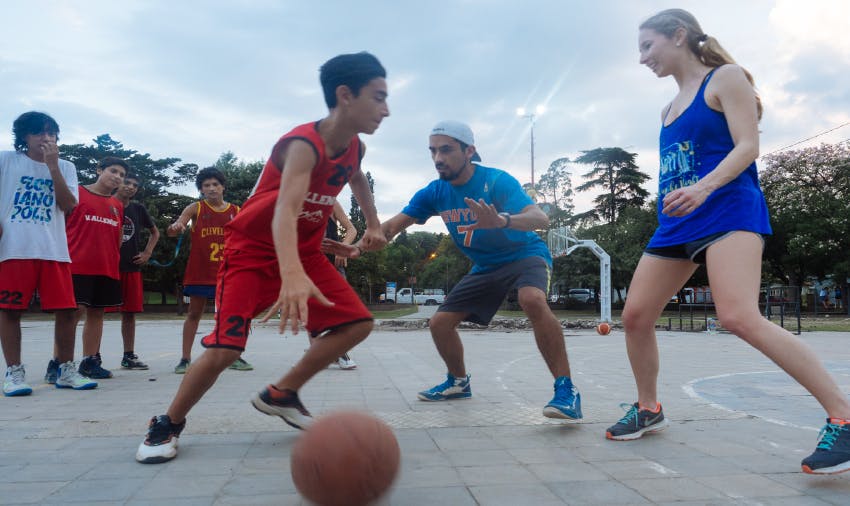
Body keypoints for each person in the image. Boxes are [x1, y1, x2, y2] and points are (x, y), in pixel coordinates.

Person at [610, 8, 850, 475]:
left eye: (647, 46)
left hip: (727, 210)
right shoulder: (667, 109)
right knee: (635, 316)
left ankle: (844, 416)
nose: (642, 58)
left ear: (679, 35)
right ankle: (649, 408)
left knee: (738, 317)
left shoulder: (725, 78)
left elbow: (748, 146)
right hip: (677, 224)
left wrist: (703, 188)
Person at [135, 51, 389, 463]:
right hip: (252, 252)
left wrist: (372, 224)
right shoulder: (303, 145)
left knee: (358, 323)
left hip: (305, 253)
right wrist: (291, 273)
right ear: (345, 95)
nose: (386, 109)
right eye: (378, 97)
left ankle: (282, 393)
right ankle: (167, 422)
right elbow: (286, 210)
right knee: (227, 350)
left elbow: (357, 178)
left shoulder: (354, 147)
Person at [379, 120, 582, 420]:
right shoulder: (435, 192)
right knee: (439, 324)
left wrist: (502, 220)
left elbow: (540, 219)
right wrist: (359, 244)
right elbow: (392, 226)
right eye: (433, 151)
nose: (438, 158)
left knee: (531, 299)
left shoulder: (496, 181)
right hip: (487, 265)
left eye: (446, 150)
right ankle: (458, 382)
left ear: (469, 151)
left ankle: (567, 391)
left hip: (525, 254)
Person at [1, 111, 97, 395]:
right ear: (24, 136)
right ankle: (14, 373)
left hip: (53, 249)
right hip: (14, 248)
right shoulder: (7, 160)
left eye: (51, 132)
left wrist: (53, 167)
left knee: (67, 311)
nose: (46, 138)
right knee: (10, 310)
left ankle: (65, 370)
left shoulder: (66, 167)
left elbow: (68, 205)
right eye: (38, 132)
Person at [168, 167, 252, 374]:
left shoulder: (236, 210)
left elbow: (247, 237)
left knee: (230, 316)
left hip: (229, 272)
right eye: (207, 185)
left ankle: (233, 355)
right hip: (200, 271)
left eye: (215, 184)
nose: (212, 188)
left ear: (223, 187)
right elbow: (174, 228)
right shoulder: (195, 208)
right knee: (194, 313)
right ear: (201, 189)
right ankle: (185, 359)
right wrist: (176, 227)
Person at [58, 156, 127, 380]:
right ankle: (58, 363)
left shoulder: (117, 205)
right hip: (76, 264)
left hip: (106, 267)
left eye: (121, 175)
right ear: (99, 170)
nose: (117, 177)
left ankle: (89, 361)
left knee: (97, 313)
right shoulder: (76, 193)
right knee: (71, 315)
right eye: (113, 171)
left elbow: (117, 238)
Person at [106, 173, 160, 370]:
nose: (130, 187)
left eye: (134, 185)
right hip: (107, 267)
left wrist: (147, 252)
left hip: (131, 266)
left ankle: (128, 355)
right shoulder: (105, 203)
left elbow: (155, 232)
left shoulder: (138, 209)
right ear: (117, 183)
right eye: (127, 182)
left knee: (129, 313)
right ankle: (92, 357)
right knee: (95, 313)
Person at [319, 200, 358, 370]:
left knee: (340, 307)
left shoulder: (330, 202)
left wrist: (343, 247)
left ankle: (339, 351)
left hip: (333, 263)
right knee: (314, 310)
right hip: (310, 262)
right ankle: (320, 354)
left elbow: (351, 229)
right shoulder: (298, 202)